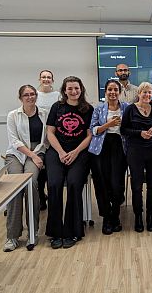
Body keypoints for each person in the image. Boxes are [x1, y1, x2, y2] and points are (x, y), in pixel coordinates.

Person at [45, 76, 93, 249]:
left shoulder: (88, 109)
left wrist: (75, 152)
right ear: (64, 90)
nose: (74, 91)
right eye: (70, 88)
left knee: (74, 183)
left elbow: (89, 135)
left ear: (81, 89)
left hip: (79, 153)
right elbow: (50, 132)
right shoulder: (56, 107)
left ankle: (73, 231)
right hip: (57, 152)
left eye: (77, 88)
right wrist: (61, 152)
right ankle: (56, 232)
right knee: (54, 184)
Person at [3, 85, 48, 252]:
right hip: (16, 153)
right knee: (15, 187)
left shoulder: (43, 113)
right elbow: (14, 141)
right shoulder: (13, 115)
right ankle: (12, 236)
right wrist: (32, 155)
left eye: (32, 94)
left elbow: (46, 138)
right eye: (26, 95)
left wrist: (37, 155)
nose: (30, 97)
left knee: (31, 184)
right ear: (20, 97)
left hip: (37, 151)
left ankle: (33, 232)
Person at [88, 79, 128, 235]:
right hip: (101, 148)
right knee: (102, 184)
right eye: (109, 90)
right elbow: (93, 130)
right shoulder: (99, 109)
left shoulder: (126, 107)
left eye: (115, 90)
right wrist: (108, 125)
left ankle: (115, 215)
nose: (112, 92)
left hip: (120, 146)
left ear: (120, 92)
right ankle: (106, 218)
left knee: (117, 183)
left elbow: (132, 127)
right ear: (105, 92)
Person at [121, 82, 152, 232]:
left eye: (150, 93)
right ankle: (138, 217)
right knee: (136, 186)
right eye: (144, 92)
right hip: (135, 151)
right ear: (139, 93)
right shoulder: (130, 109)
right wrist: (140, 133)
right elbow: (123, 129)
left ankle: (150, 216)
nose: (147, 95)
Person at [36, 69, 60, 211]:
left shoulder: (58, 95)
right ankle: (40, 195)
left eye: (49, 77)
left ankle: (51, 198)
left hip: (53, 134)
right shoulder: (36, 95)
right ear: (39, 79)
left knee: (49, 166)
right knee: (39, 166)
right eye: (43, 77)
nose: (46, 79)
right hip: (38, 134)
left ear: (52, 80)